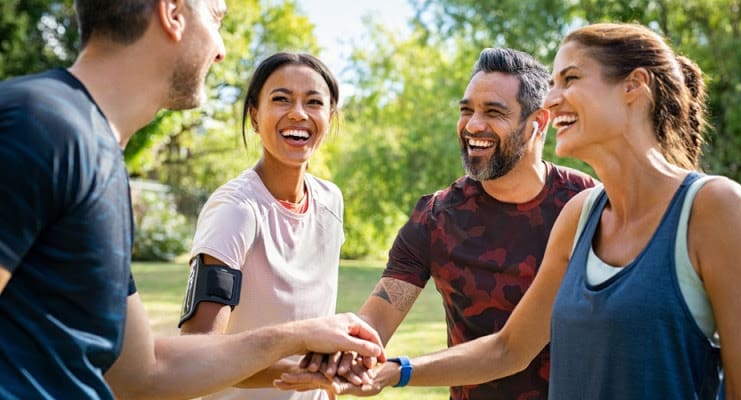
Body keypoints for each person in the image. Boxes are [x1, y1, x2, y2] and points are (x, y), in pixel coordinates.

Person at [278, 22, 741, 399]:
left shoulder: (696, 207)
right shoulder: (558, 217)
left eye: (570, 79)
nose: (472, 124)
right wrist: (365, 361)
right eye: (466, 109)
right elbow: (506, 348)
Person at [0, 1, 384, 399]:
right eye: (216, 18)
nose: (220, 50)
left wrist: (304, 338)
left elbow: (146, 373)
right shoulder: (39, 126)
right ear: (172, 12)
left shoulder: (102, 160)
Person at [293, 47, 596, 399]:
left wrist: (399, 371)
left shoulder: (588, 203)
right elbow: (377, 320)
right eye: (466, 110)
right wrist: (341, 356)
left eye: (493, 112)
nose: (473, 125)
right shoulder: (436, 217)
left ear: (538, 123)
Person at [177, 51, 346, 400]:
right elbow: (197, 354)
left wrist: (326, 380)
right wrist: (307, 373)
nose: (298, 113)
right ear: (255, 116)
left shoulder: (331, 201)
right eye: (281, 99)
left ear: (330, 117)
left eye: (314, 102)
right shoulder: (235, 211)